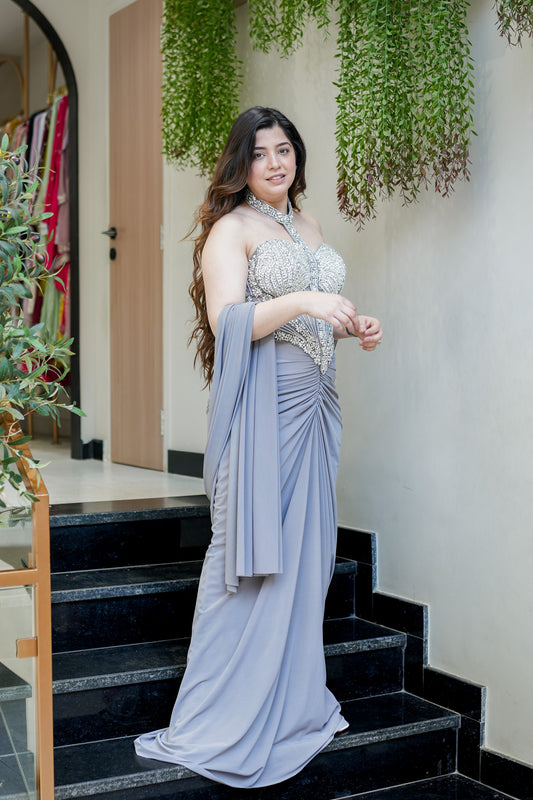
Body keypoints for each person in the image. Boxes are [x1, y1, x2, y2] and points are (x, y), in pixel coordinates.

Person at [134, 107, 383, 788]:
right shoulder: (231, 229)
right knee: (243, 560)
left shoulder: (308, 225)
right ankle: (214, 717)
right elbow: (228, 322)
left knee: (304, 557)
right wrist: (305, 300)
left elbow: (313, 317)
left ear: (296, 157)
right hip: (264, 411)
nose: (275, 163)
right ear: (240, 165)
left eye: (284, 150)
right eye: (260, 153)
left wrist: (349, 322)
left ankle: (290, 703)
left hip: (314, 404)